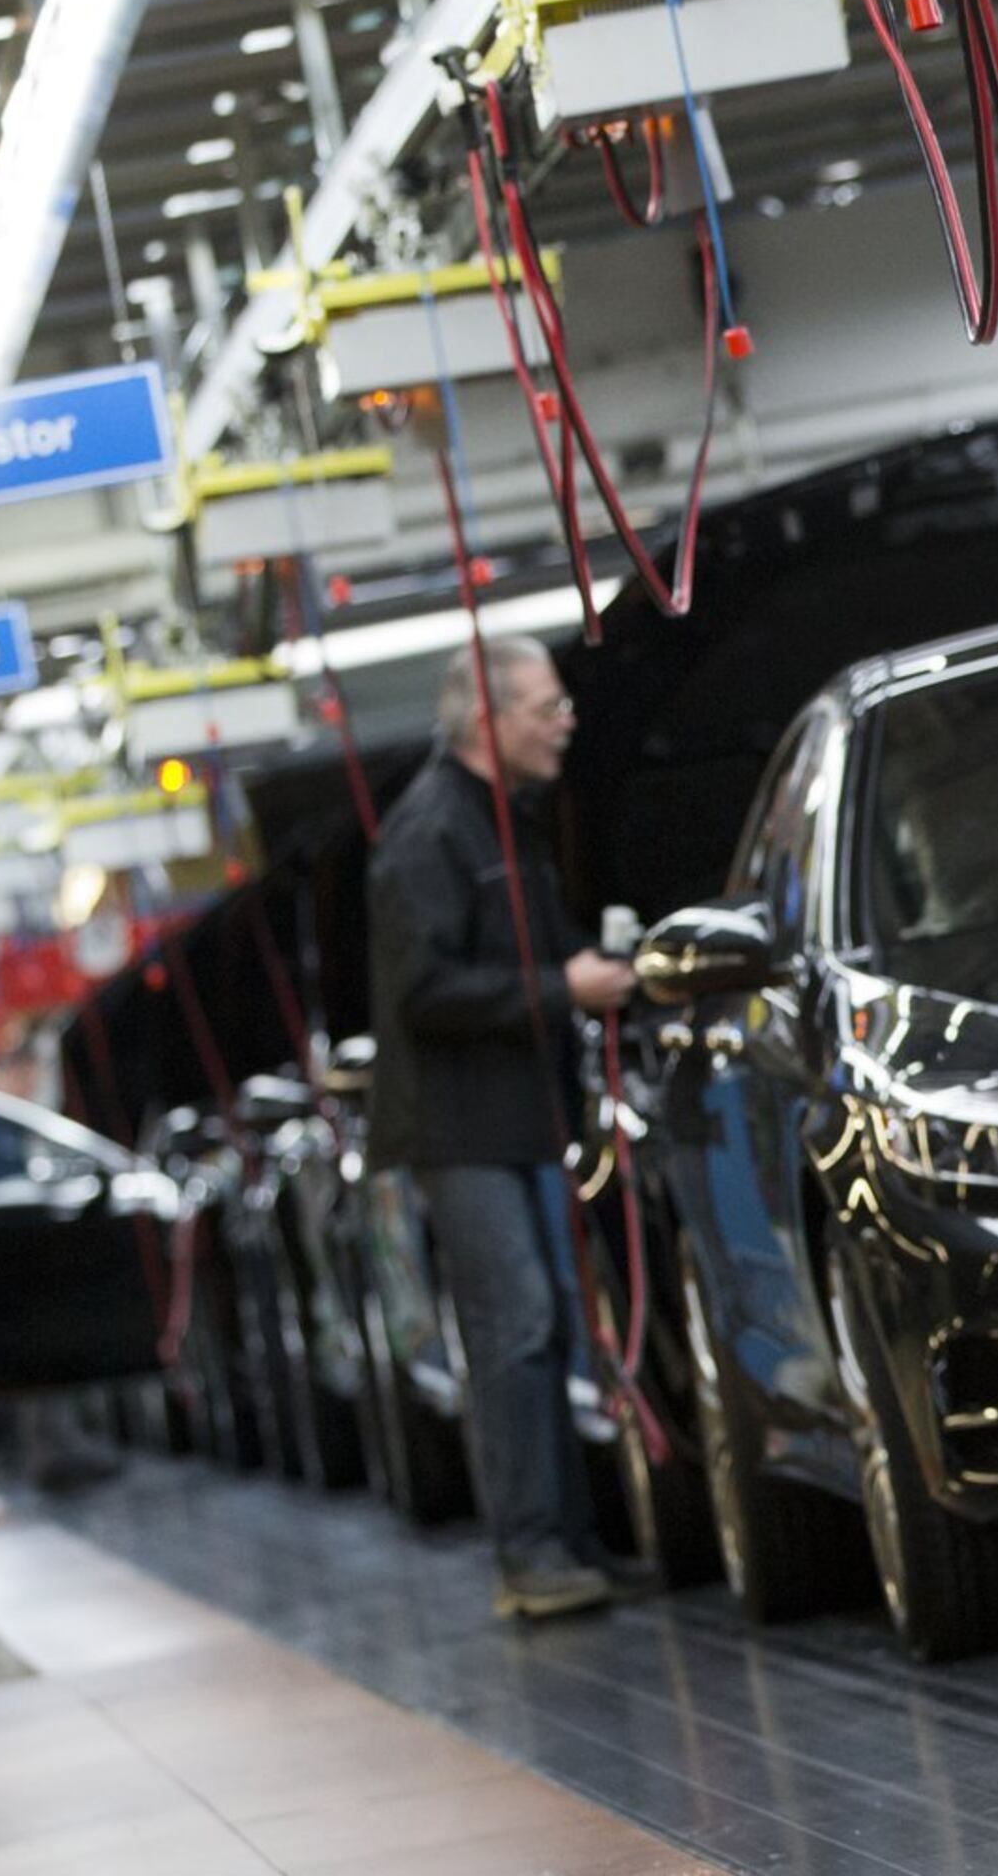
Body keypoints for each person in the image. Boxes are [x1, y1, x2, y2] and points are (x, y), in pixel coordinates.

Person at [368, 633, 641, 1620]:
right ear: (489, 721)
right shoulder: (429, 832)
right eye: (545, 706)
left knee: (552, 1329)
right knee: (514, 1330)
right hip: (459, 1131)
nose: (565, 719)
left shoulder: (505, 822)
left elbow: (534, 947)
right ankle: (528, 1556)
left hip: (521, 1120)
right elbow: (422, 990)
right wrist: (558, 987)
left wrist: (601, 972)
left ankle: (569, 1543)